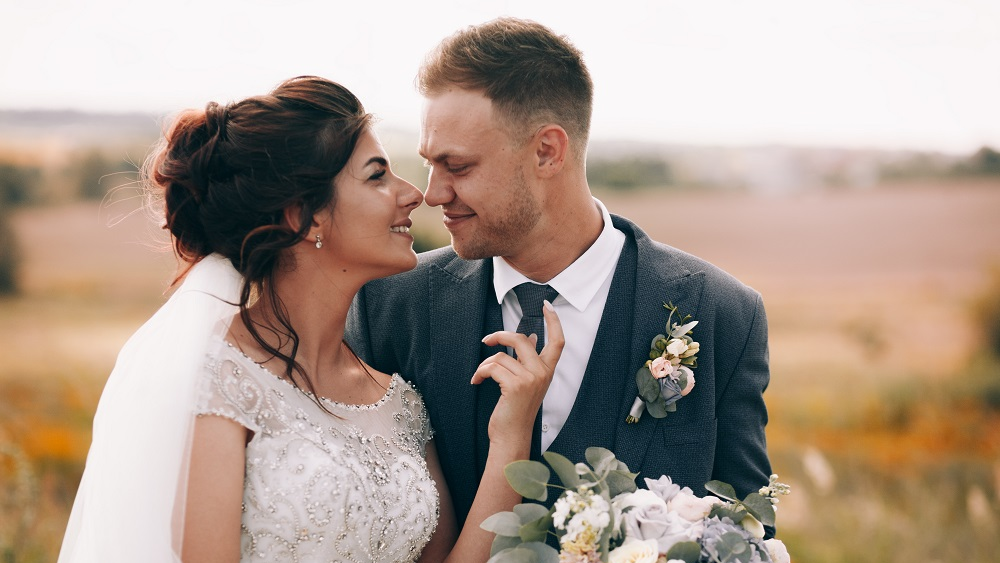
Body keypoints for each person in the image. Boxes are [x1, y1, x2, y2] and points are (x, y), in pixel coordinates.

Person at [58, 76, 564, 563]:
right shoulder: (216, 383)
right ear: (305, 216)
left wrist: (511, 436)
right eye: (377, 175)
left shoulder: (398, 402)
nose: (415, 194)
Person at [346, 16, 773, 533]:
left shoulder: (721, 313)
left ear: (547, 151)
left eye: (457, 167)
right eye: (429, 164)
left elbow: (747, 529)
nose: (433, 193)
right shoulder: (389, 305)